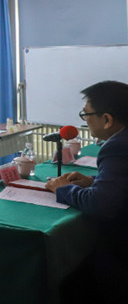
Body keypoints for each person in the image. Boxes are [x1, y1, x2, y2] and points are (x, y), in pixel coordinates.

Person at [46, 81, 128, 303]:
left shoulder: (117, 146)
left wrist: (64, 189)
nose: (84, 120)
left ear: (107, 119)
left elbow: (100, 205)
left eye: (86, 114)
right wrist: (93, 181)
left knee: (69, 280)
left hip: (121, 252)